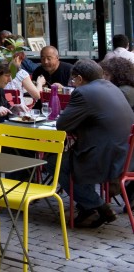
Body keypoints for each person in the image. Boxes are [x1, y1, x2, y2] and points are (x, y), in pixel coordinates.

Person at [57, 59, 134, 228]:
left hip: (103, 157)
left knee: (54, 163)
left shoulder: (83, 92)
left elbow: (61, 125)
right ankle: (87, 206)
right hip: (125, 155)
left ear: (78, 78)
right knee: (72, 157)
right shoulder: (112, 88)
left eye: (73, 80)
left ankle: (96, 205)